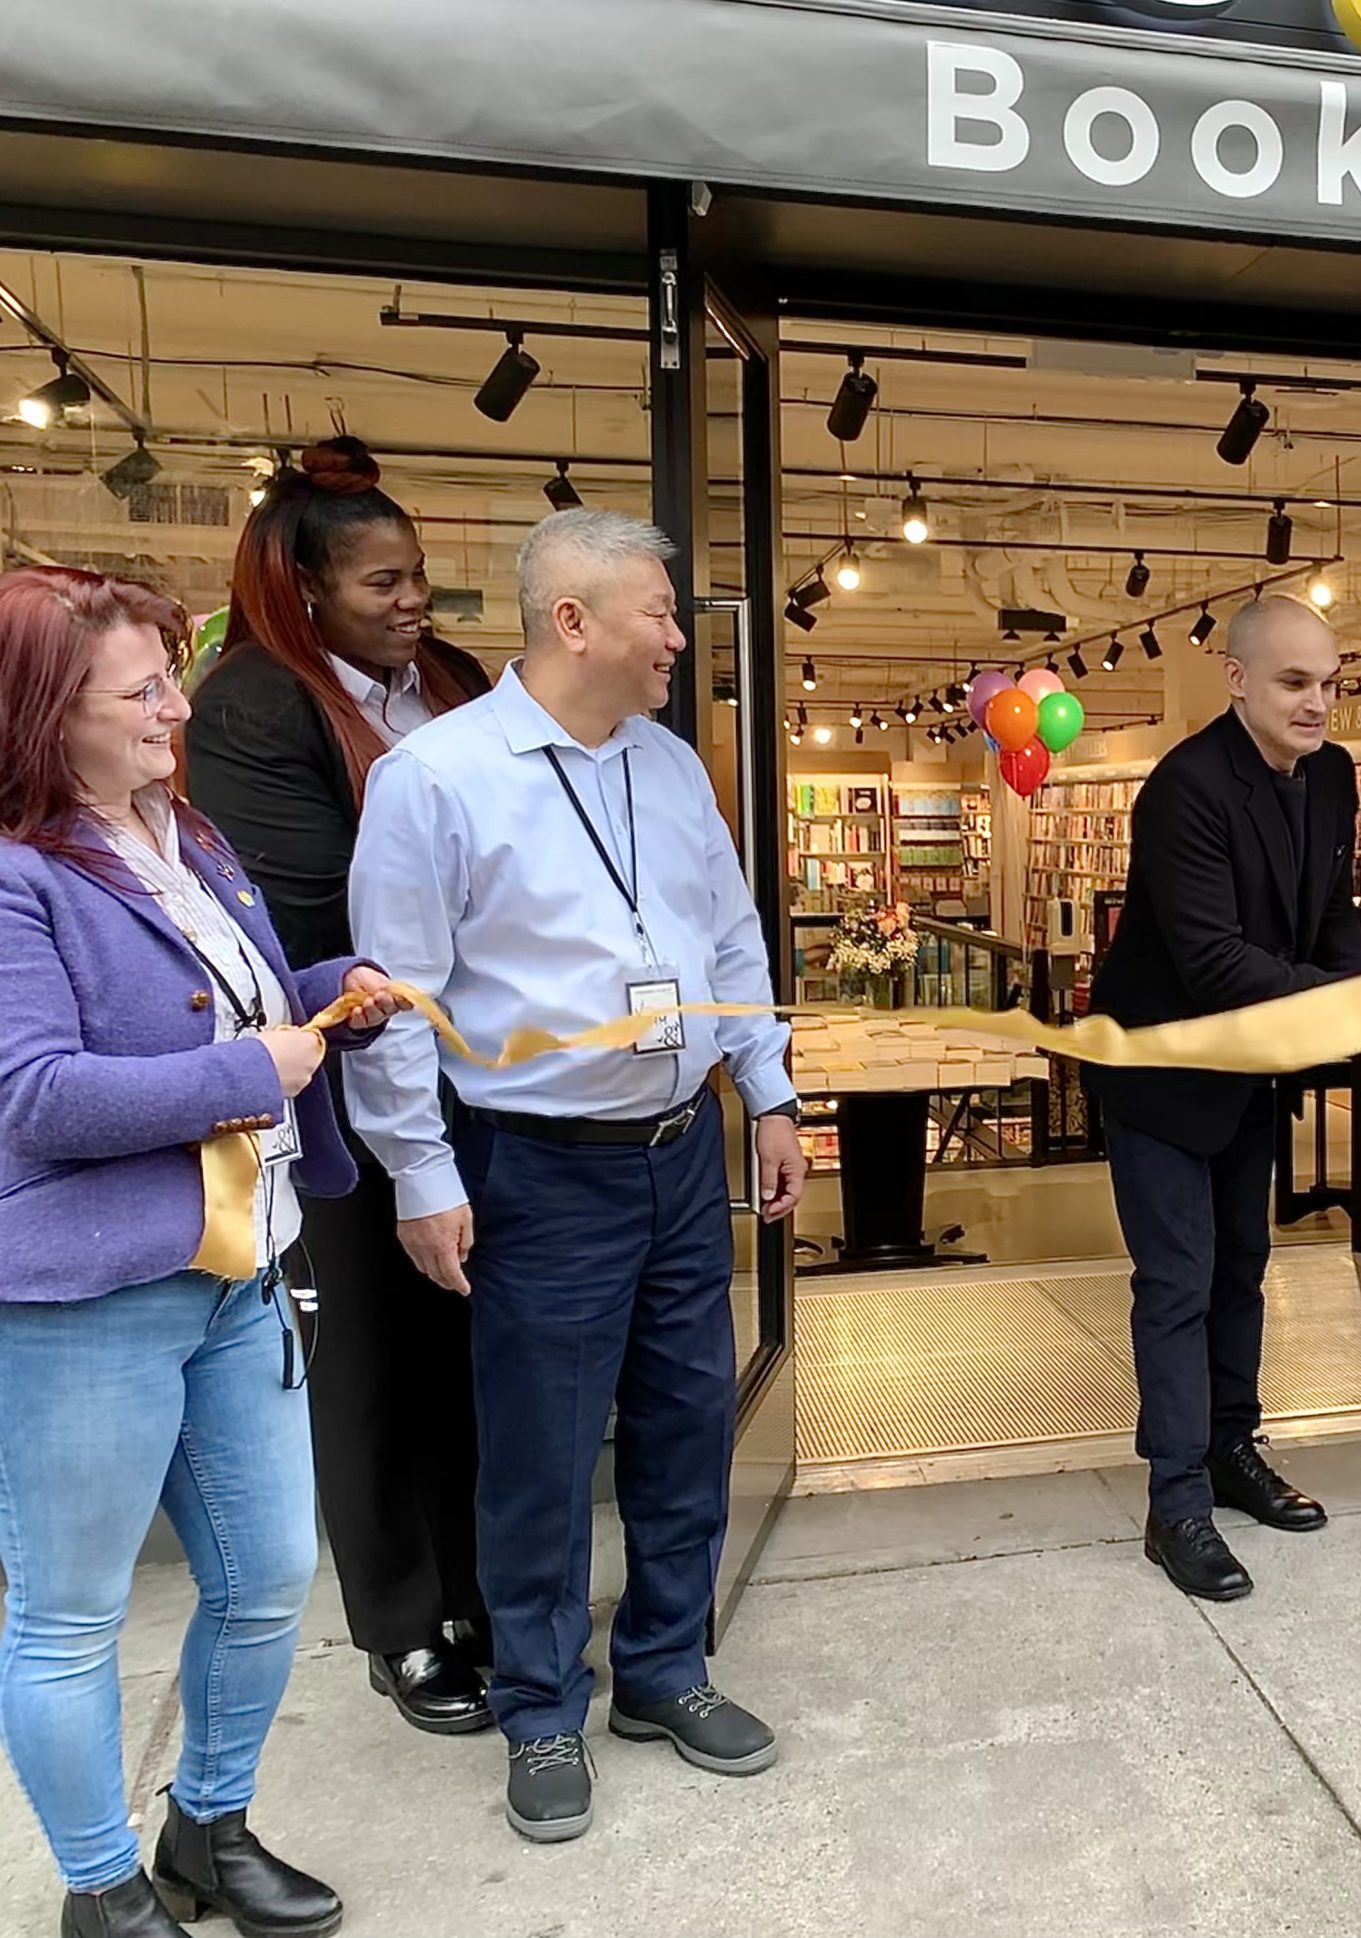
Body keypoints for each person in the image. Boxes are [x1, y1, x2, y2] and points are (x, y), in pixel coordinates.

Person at [344, 510, 808, 1844]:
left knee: (684, 1426)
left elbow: (727, 934)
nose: (679, 635)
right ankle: (541, 1704)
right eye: (659, 612)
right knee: (541, 1455)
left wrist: (765, 1094)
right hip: (535, 1165)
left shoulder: (670, 767)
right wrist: (421, 1174)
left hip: (675, 1155)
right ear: (572, 623)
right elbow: (396, 1003)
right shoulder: (434, 781)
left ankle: (667, 1669)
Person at [0, 565, 404, 1938]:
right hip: (89, 1302)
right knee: (69, 1613)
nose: (181, 700)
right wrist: (258, 1064)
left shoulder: (192, 837)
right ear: (49, 715)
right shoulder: (13, 878)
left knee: (271, 1570)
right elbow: (36, 1096)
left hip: (241, 1269)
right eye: (145, 686)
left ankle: (208, 1828)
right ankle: (102, 1887)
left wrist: (326, 997)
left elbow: (219, 1009)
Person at [182, 436, 499, 1737]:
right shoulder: (259, 703)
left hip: (481, 1074)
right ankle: (404, 1615)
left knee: (471, 1351)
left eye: (419, 574)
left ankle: (480, 1584)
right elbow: (318, 909)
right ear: (308, 591)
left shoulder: (458, 684)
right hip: (351, 1083)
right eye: (381, 582)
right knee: (372, 1353)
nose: (412, 600)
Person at [1085, 594, 1361, 1601]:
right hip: (1160, 1069)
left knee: (1241, 1269)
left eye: (1330, 684)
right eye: (1296, 682)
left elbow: (1329, 913)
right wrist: (1360, 998)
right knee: (1177, 1282)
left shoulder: (1332, 777)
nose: (1318, 703)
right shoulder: (1184, 788)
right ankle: (1176, 1503)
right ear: (1238, 679)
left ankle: (1228, 1450)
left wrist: (1359, 977)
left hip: (1252, 1066)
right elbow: (1211, 961)